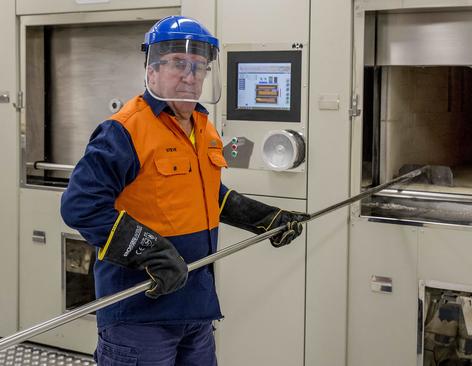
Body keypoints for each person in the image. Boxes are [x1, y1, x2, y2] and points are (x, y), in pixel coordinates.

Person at [60, 15, 309, 365]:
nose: (190, 76)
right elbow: (80, 206)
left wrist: (265, 218)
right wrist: (151, 251)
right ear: (152, 70)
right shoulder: (124, 131)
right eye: (178, 64)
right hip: (140, 312)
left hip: (195, 306)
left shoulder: (203, 128)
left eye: (199, 67)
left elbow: (209, 195)